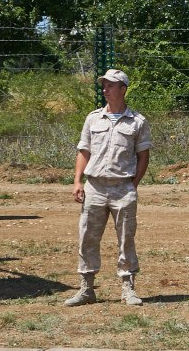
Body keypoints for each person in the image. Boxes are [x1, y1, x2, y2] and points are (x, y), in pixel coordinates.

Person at [64, 68, 152, 307]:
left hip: (123, 189)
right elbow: (84, 151)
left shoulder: (138, 122)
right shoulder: (93, 118)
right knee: (87, 238)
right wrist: (77, 181)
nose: (105, 89)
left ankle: (128, 289)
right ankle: (86, 289)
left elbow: (143, 156)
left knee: (126, 239)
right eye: (104, 85)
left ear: (123, 89)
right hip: (94, 187)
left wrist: (132, 185)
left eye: (110, 85)